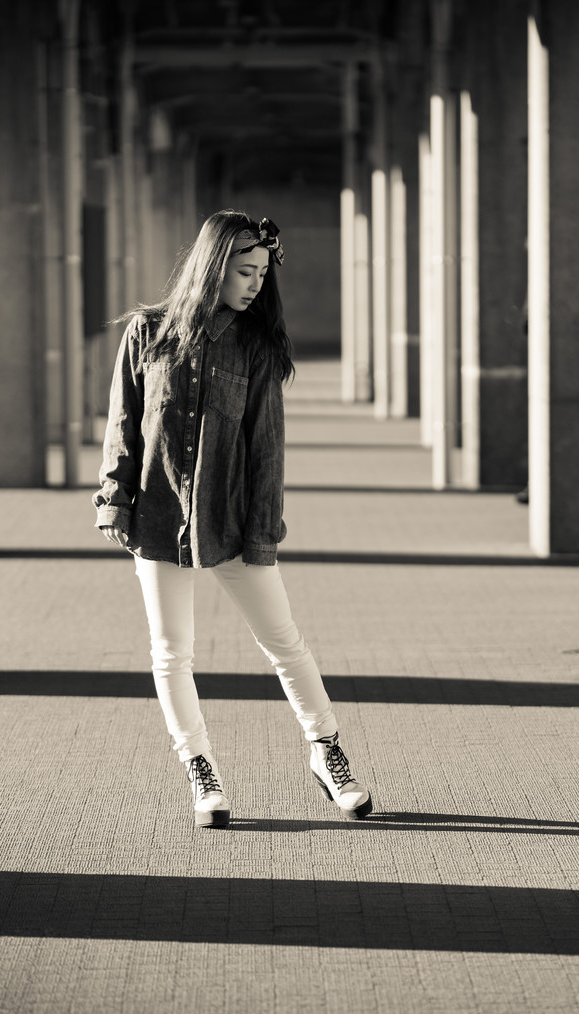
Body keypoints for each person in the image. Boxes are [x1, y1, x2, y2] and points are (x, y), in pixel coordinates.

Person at [94, 211, 373, 829]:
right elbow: (123, 425)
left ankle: (326, 750)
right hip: (159, 516)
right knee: (171, 652)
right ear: (213, 265)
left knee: (284, 642)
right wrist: (114, 498)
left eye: (262, 274)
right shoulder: (146, 333)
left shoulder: (256, 347)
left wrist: (262, 534)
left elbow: (267, 450)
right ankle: (202, 772)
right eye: (245, 271)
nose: (254, 284)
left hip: (234, 520)